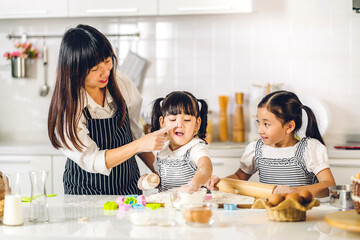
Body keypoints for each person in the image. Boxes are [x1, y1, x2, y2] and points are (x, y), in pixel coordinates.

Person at [48, 24, 175, 195]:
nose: (105, 72)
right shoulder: (68, 108)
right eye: (94, 69)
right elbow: (93, 160)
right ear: (75, 71)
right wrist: (137, 145)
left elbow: (135, 134)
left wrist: (161, 173)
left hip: (129, 188)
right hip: (85, 195)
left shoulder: (121, 82)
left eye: (107, 61)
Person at [207, 90, 335, 198]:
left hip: (300, 214)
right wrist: (221, 182)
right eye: (259, 122)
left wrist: (296, 191)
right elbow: (239, 177)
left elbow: (328, 185)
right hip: (268, 214)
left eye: (266, 124)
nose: (260, 129)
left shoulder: (309, 149)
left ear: (289, 126)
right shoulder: (256, 149)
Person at [137, 91, 213, 193]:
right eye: (173, 119)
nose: (179, 124)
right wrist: (147, 180)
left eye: (186, 120)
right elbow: (161, 181)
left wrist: (194, 184)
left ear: (197, 124)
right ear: (163, 123)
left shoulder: (196, 147)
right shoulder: (162, 150)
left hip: (192, 205)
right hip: (169, 207)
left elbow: (205, 168)